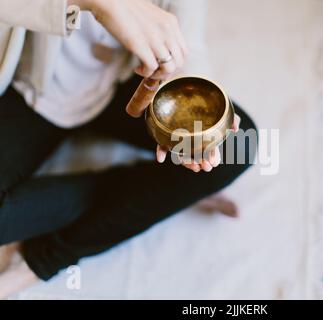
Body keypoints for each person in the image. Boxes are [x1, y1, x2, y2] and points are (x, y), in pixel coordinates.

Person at [0, 0, 256, 298]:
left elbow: (187, 39)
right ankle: (155, 192)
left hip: (124, 87)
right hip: (27, 87)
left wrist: (192, 97)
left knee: (238, 144)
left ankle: (42, 261)